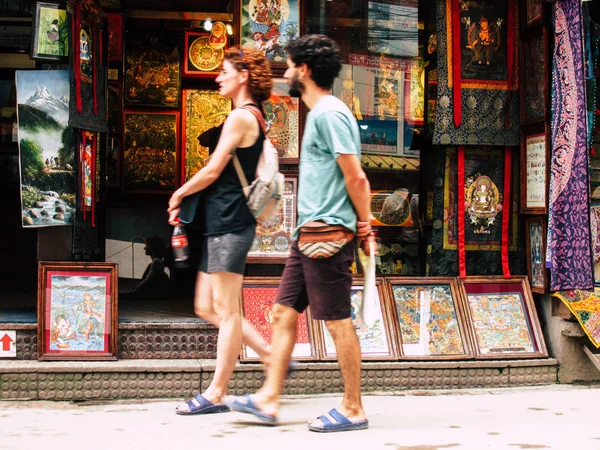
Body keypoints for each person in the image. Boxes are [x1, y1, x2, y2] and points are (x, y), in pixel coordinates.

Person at [224, 34, 376, 433]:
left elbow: (356, 177)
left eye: (289, 64)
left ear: (304, 70)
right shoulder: (320, 113)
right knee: (282, 312)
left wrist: (364, 225)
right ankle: (268, 398)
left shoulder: (329, 113)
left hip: (326, 236)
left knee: (337, 320)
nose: (285, 71)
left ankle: (353, 407)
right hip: (306, 235)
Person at [167, 46, 276, 415]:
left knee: (227, 311)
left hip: (232, 223)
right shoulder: (245, 116)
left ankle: (216, 393)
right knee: (204, 305)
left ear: (242, 76)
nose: (218, 77)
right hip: (219, 224)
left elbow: (213, 170)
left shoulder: (243, 118)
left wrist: (179, 192)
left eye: (224, 71)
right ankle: (269, 355)